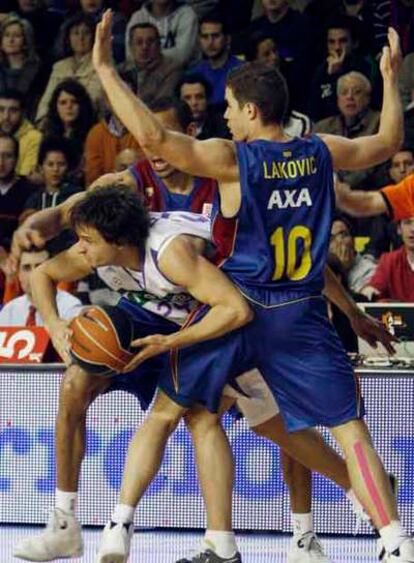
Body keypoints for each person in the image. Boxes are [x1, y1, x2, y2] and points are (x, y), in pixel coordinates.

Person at [91, 12, 414, 563]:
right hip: (304, 311)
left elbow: (152, 138)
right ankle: (395, 542)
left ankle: (118, 527)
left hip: (241, 306)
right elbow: (386, 141)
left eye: (231, 106)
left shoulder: (232, 159)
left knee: (168, 412)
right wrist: (388, 79)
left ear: (251, 110)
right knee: (350, 430)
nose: (225, 114)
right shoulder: (320, 150)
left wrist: (105, 67)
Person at [13, 187, 394, 563]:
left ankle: (353, 494)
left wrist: (352, 312)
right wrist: (55, 324)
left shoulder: (175, 252)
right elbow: (43, 274)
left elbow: (247, 302)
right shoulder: (96, 250)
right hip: (166, 319)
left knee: (243, 421)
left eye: (86, 241)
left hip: (234, 320)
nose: (79, 248)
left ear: (116, 240)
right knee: (84, 386)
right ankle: (82, 525)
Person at [36, 14, 102, 122]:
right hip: (57, 123)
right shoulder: (59, 67)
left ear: (94, 37)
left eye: (86, 33)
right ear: (68, 38)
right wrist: (43, 121)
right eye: (75, 33)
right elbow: (46, 101)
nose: (81, 38)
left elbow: (94, 99)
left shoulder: (102, 66)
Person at [0, 248, 82, 325]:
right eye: (27, 268)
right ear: (19, 274)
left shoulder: (70, 307)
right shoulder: (9, 310)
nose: (33, 275)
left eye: (39, 267)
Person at [188, 11, 243, 107]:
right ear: (199, 40)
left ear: (227, 39)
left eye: (215, 36)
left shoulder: (243, 70)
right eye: (205, 37)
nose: (210, 42)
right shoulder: (193, 74)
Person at [120, 22, 182, 104]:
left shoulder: (171, 70)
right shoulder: (120, 70)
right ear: (131, 46)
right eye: (139, 42)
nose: (145, 47)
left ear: (159, 45)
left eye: (150, 41)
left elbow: (162, 104)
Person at [125, 0, 199, 67]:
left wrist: (146, 56)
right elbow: (130, 55)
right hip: (143, 74)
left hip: (182, 74)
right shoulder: (138, 17)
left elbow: (182, 56)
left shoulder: (187, 15)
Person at [361, 217, 414, 302]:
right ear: (399, 229)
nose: (413, 229)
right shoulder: (389, 260)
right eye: (407, 223)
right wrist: (369, 290)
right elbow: (375, 286)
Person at [0, 88, 42, 177]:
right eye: (1, 110)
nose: (6, 117)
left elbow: (24, 177)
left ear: (23, 113)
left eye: (13, 111)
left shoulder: (34, 137)